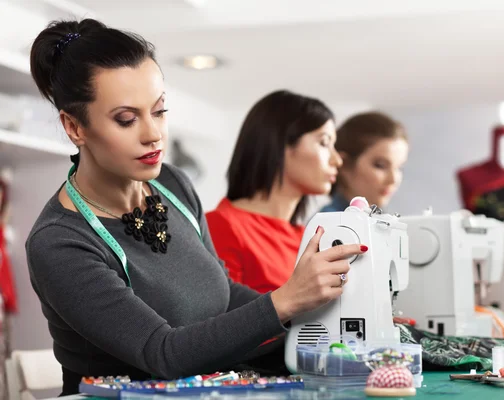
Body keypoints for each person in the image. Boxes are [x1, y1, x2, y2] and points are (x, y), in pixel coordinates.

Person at [25, 19, 367, 395]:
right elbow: (163, 353)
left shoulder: (172, 185)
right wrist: (285, 301)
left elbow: (223, 293)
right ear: (75, 127)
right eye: (126, 119)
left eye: (159, 111)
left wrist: (314, 317)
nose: (153, 133)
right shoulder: (59, 242)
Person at [206, 90, 342, 294]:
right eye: (324, 143)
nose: (337, 160)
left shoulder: (306, 237)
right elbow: (224, 321)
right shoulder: (221, 226)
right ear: (280, 143)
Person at [321, 111, 409, 212]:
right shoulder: (329, 223)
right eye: (380, 165)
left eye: (399, 167)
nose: (393, 180)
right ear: (344, 164)